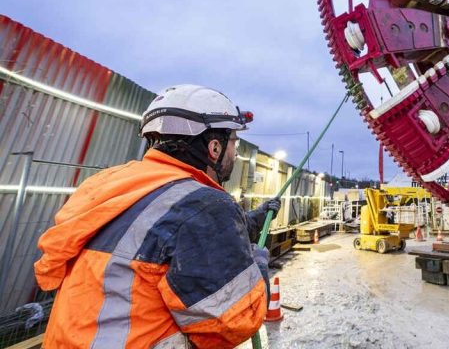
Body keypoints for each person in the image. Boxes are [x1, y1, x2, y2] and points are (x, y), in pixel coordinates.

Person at [34, 85, 281, 348]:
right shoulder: (204, 204)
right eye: (234, 142)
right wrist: (259, 264)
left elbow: (179, 234)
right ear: (215, 148)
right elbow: (236, 321)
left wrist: (260, 214)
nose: (236, 152)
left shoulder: (110, 186)